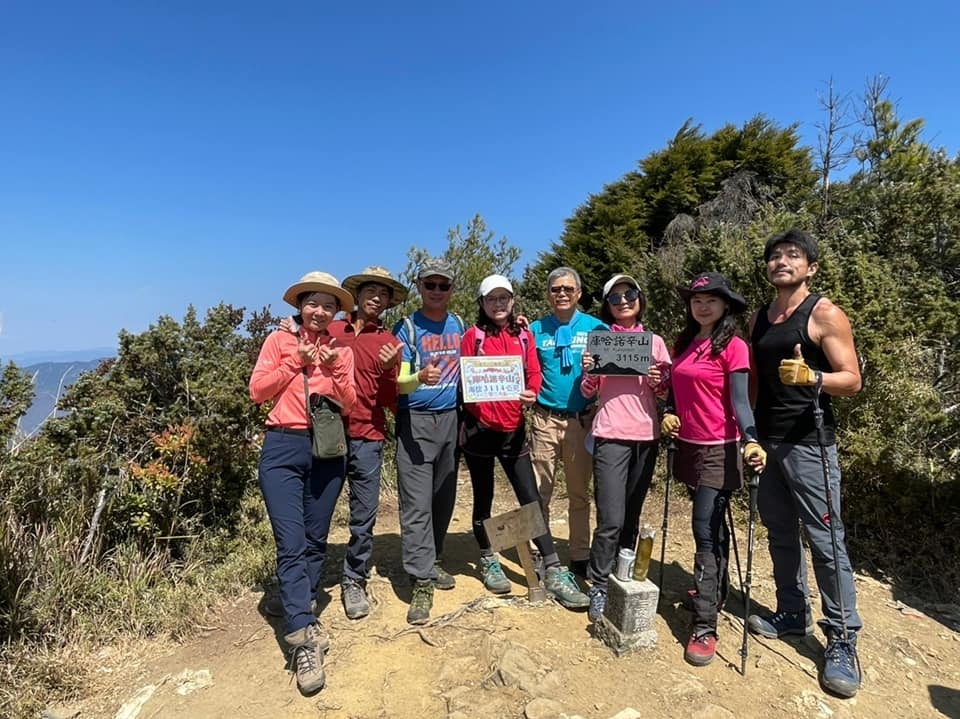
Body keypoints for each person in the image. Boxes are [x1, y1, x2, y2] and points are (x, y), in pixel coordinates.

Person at [746, 229, 863, 698]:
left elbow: (852, 379)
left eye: (792, 256)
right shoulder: (762, 317)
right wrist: (748, 433)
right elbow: (754, 382)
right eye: (775, 256)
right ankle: (791, 612)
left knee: (826, 540)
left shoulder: (824, 313)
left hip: (811, 443)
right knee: (778, 531)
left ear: (810, 267)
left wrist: (813, 376)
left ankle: (842, 638)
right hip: (769, 443)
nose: (782, 262)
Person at [277, 266, 407, 621]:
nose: (376, 298)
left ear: (388, 302)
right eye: (370, 291)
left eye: (384, 294)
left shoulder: (390, 343)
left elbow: (389, 400)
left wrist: (389, 370)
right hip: (323, 435)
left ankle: (354, 580)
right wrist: (289, 328)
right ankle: (300, 588)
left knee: (363, 517)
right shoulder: (332, 328)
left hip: (368, 435)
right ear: (358, 295)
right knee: (313, 517)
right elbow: (302, 335)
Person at [249, 271, 356, 695]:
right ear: (300, 305)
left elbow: (349, 403)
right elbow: (258, 390)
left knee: (314, 539)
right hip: (282, 446)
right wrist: (298, 359)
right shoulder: (278, 342)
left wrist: (333, 368)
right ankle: (302, 637)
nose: (320, 311)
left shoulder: (339, 349)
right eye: (313, 303)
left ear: (335, 312)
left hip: (327, 449)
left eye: (329, 305)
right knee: (290, 541)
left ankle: (299, 604)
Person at [460, 275, 589, 609]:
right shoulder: (472, 337)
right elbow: (466, 380)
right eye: (492, 299)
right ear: (482, 304)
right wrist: (481, 402)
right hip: (478, 430)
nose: (498, 305)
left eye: (504, 298)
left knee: (530, 498)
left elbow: (533, 373)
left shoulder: (524, 335)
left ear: (513, 301)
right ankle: (488, 557)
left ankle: (554, 567)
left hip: (513, 430)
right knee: (482, 496)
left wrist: (531, 393)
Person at [660, 272, 767, 666]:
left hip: (721, 450)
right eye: (696, 299)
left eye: (711, 299)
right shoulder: (684, 343)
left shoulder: (734, 346)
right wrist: (669, 414)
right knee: (715, 523)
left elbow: (741, 402)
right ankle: (716, 589)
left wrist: (751, 439)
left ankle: (705, 624)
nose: (702, 305)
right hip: (688, 447)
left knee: (703, 527)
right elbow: (675, 391)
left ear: (725, 306)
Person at [580, 274, 670, 621]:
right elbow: (589, 391)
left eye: (629, 293)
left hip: (646, 437)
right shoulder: (600, 340)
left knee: (631, 515)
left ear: (639, 298)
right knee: (611, 518)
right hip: (611, 434)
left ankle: (623, 572)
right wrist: (589, 372)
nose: (623, 301)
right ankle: (599, 584)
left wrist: (657, 381)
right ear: (608, 306)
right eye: (615, 298)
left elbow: (664, 394)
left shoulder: (655, 343)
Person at [392, 258, 463, 625]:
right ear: (419, 287)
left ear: (452, 289)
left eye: (444, 285)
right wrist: (419, 376)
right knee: (416, 503)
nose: (437, 291)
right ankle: (421, 579)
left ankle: (432, 560)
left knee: (442, 496)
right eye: (430, 285)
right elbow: (399, 383)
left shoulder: (459, 324)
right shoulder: (406, 327)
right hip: (415, 421)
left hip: (450, 419)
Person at [528, 267, 607, 577]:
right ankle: (538, 551)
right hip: (544, 418)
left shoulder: (597, 328)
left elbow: (610, 375)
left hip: (580, 421)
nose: (561, 294)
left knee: (578, 492)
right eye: (555, 289)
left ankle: (579, 554)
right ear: (548, 294)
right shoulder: (535, 329)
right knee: (539, 490)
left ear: (579, 293)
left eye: (567, 289)